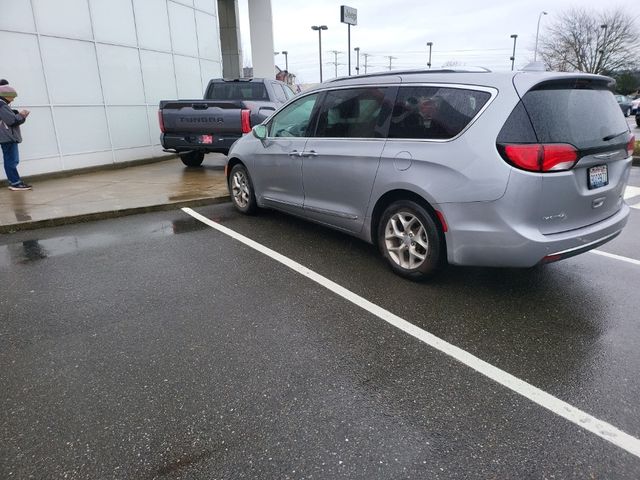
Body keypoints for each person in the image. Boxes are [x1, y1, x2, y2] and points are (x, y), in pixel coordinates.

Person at [0, 84, 31, 190]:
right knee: (11, 161)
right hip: (8, 137)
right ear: (6, 95)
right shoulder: (2, 105)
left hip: (6, 137)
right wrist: (22, 115)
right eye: (12, 96)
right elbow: (12, 121)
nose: (13, 99)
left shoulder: (3, 105)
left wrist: (16, 114)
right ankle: (15, 183)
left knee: (11, 160)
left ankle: (14, 182)